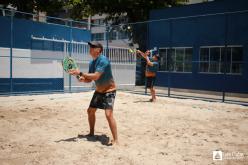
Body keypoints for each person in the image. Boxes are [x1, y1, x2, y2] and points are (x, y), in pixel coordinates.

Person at [68, 41, 118, 145]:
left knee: (108, 114)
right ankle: (91, 133)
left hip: (110, 90)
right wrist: (82, 78)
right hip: (99, 91)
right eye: (90, 46)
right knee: (90, 111)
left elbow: (96, 76)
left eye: (93, 46)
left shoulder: (103, 60)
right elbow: (89, 79)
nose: (90, 48)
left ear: (98, 50)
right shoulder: (92, 63)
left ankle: (116, 140)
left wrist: (80, 73)